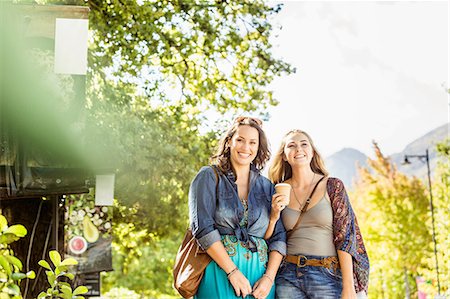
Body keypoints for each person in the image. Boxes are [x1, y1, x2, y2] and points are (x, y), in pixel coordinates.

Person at [189, 116, 287, 299]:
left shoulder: (267, 187)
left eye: (252, 142)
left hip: (261, 282)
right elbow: (202, 228)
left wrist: (269, 278)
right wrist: (232, 272)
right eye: (240, 140)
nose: (246, 148)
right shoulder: (209, 176)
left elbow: (279, 237)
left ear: (258, 148)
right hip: (220, 273)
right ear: (229, 142)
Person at [266, 129, 369, 299]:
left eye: (304, 144)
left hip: (327, 273)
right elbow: (270, 238)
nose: (298, 149)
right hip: (288, 275)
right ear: (284, 155)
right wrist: (273, 216)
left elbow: (345, 238)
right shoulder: (276, 190)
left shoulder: (333, 186)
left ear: (312, 152)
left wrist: (349, 286)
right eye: (291, 145)